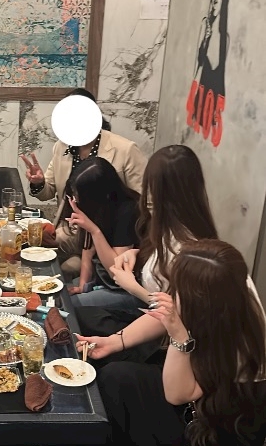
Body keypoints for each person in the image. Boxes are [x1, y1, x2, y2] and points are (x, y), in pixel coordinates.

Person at [29, 240, 266, 446]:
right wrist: (114, 342)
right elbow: (166, 312)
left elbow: (178, 394)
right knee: (115, 377)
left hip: (218, 435)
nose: (174, 294)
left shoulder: (243, 341)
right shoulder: (222, 292)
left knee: (119, 409)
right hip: (200, 399)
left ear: (201, 297)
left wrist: (178, 336)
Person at [20, 88, 146, 273]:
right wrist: (38, 182)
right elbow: (48, 191)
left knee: (60, 265)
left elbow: (143, 202)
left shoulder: (125, 149)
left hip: (108, 231)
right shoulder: (61, 146)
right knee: (28, 242)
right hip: (70, 226)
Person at [109, 144, 218, 309]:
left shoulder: (189, 248)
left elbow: (179, 313)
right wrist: (136, 253)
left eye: (153, 188)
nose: (148, 196)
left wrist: (133, 287)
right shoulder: (167, 227)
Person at [64, 158, 140, 314]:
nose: (76, 199)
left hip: (128, 290)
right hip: (101, 279)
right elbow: (87, 249)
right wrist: (83, 285)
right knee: (61, 294)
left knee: (68, 306)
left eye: (78, 194)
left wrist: (94, 230)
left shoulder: (129, 211)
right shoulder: (99, 206)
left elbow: (116, 271)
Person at [186, 0, 233, 147]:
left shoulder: (225, 39)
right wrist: (203, 43)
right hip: (200, 108)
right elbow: (196, 73)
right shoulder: (205, 26)